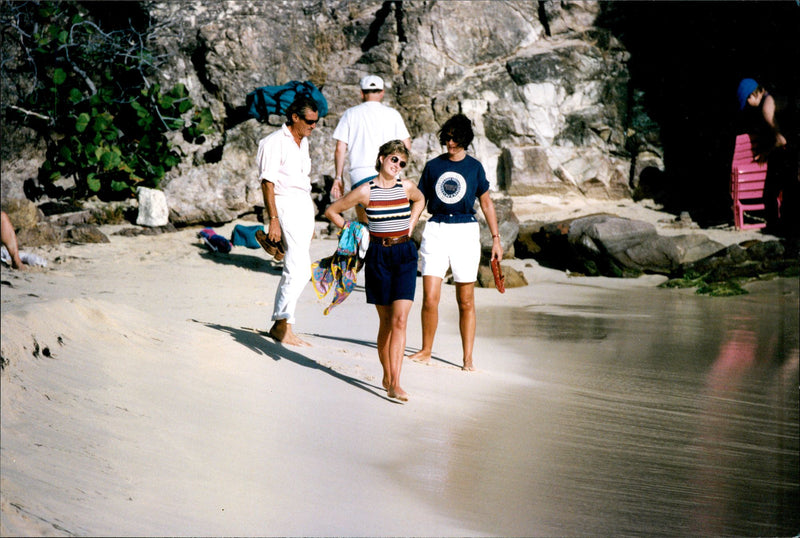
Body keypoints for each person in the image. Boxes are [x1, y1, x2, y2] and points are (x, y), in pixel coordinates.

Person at [324, 140, 425, 401]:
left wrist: (412, 222)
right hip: (378, 255)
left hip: (405, 255)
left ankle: (395, 383)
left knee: (400, 320)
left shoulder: (407, 187)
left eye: (402, 163)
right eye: (394, 160)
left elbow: (420, 199)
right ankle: (387, 373)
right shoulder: (364, 191)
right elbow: (332, 210)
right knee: (386, 323)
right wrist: (353, 230)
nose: (397, 166)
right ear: (381, 159)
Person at [407, 114, 503, 371]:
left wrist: (496, 239)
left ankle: (467, 358)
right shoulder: (433, 166)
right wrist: (408, 229)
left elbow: (486, 203)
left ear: (465, 139)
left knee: (467, 300)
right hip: (436, 228)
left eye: (455, 139)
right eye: (447, 137)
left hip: (466, 232)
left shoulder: (474, 167)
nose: (450, 143)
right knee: (430, 297)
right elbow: (420, 201)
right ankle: (426, 350)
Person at [256, 95, 320, 346]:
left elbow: (303, 182)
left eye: (316, 121)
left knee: (299, 266)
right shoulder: (273, 142)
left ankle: (282, 324)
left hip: (303, 204)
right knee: (299, 267)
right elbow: (267, 182)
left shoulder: (302, 142)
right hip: (283, 202)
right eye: (309, 121)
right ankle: (283, 325)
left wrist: (310, 220)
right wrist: (273, 220)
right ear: (295, 117)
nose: (313, 126)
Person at [331, 75, 412, 222]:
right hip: (389, 174)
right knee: (389, 222)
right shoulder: (393, 114)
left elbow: (340, 148)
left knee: (366, 224)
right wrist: (398, 167)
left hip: (360, 175)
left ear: (362, 93)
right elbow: (406, 145)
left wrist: (338, 177)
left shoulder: (350, 114)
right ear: (382, 93)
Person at [737, 78, 798, 236]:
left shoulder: (766, 106)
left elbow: (779, 139)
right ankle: (786, 226)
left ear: (752, 95)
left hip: (784, 152)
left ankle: (776, 227)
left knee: (772, 191)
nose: (749, 105)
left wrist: (767, 151)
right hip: (788, 150)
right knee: (787, 190)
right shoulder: (774, 98)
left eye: (747, 100)